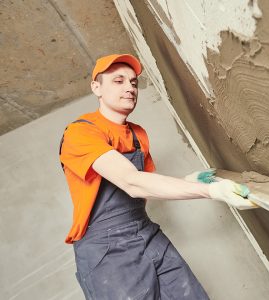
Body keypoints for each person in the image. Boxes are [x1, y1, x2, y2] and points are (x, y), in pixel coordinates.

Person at [59, 53, 256, 299]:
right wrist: (211, 192)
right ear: (96, 87)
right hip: (107, 250)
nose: (130, 87)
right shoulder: (81, 132)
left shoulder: (137, 135)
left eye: (133, 82)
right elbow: (132, 183)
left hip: (145, 231)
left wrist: (189, 181)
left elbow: (145, 190)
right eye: (118, 81)